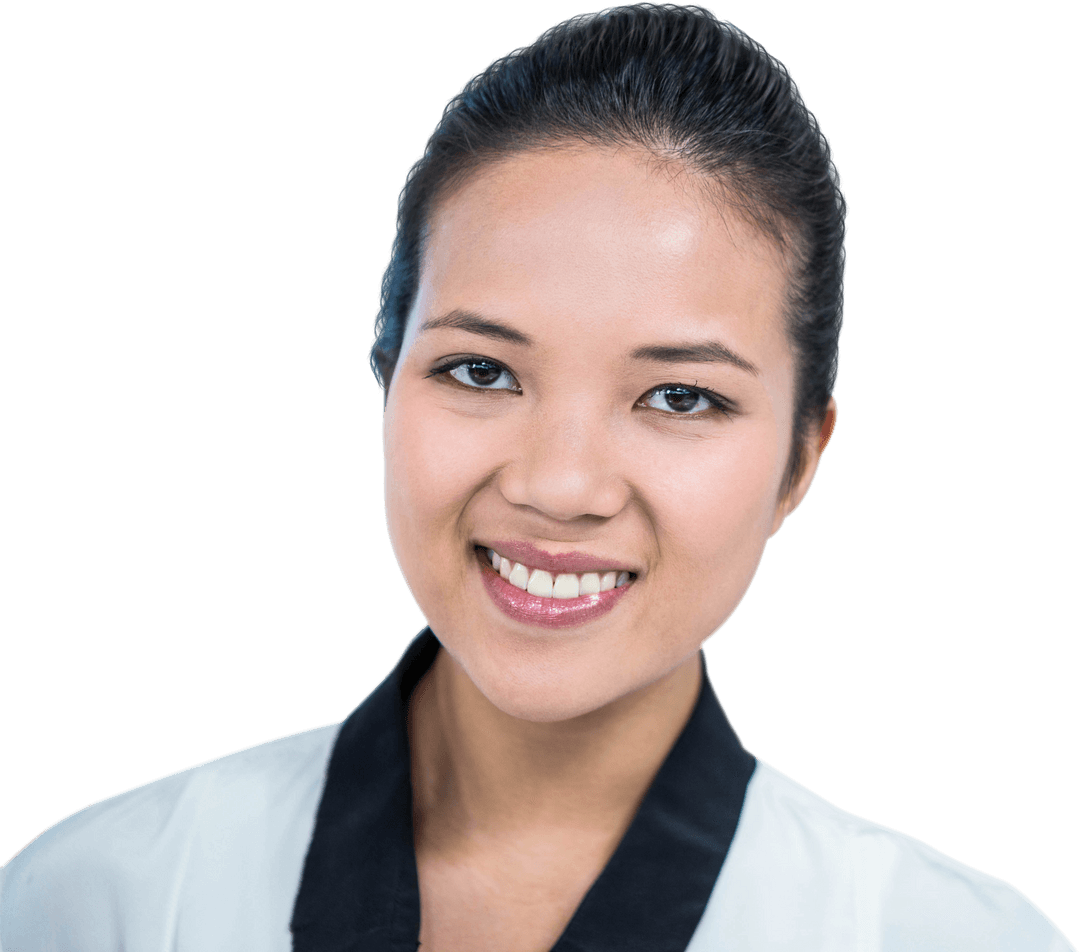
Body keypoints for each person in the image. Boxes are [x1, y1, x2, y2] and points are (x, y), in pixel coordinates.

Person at [0, 4, 1073, 950]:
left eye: (680, 396)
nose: (560, 485)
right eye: (481, 370)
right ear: (388, 391)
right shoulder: (98, 904)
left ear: (802, 458)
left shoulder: (945, 937)